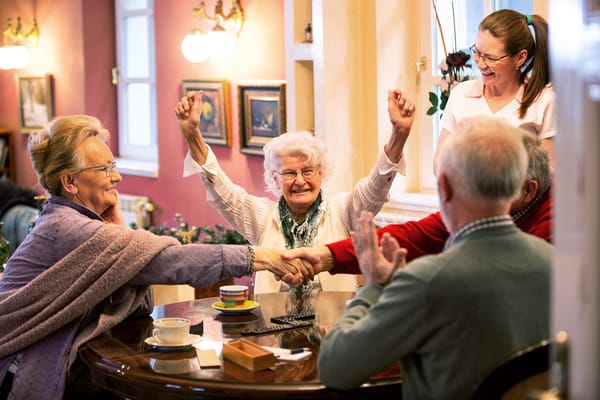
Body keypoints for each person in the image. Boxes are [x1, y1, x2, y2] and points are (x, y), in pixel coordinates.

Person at [0, 115, 311, 400]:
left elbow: (139, 301)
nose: (117, 177)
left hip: (62, 352)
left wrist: (118, 227)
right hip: (22, 366)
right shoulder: (65, 227)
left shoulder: (86, 225)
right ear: (69, 182)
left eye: (114, 165)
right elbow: (170, 261)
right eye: (105, 169)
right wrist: (263, 257)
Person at [317, 116, 552, 399]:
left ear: (444, 187)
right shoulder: (555, 264)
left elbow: (335, 367)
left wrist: (375, 286)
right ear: (517, 186)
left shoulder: (426, 281)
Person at [176, 89, 416, 293]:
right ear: (275, 178)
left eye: (308, 171)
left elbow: (374, 188)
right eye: (289, 173)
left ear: (321, 172)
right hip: (270, 332)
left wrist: (399, 135)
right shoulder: (261, 217)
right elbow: (222, 191)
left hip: (333, 328)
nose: (300, 181)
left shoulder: (342, 211)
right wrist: (192, 135)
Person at [281, 129, 552, 278]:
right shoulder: (487, 207)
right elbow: (414, 237)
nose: (483, 190)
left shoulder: (556, 225)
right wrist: (325, 256)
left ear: (529, 190)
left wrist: (380, 283)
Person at [434, 9, 555, 172]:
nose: (481, 64)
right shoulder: (460, 96)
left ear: (520, 58)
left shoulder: (544, 101)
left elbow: (548, 173)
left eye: (491, 58)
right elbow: (439, 165)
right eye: (477, 52)